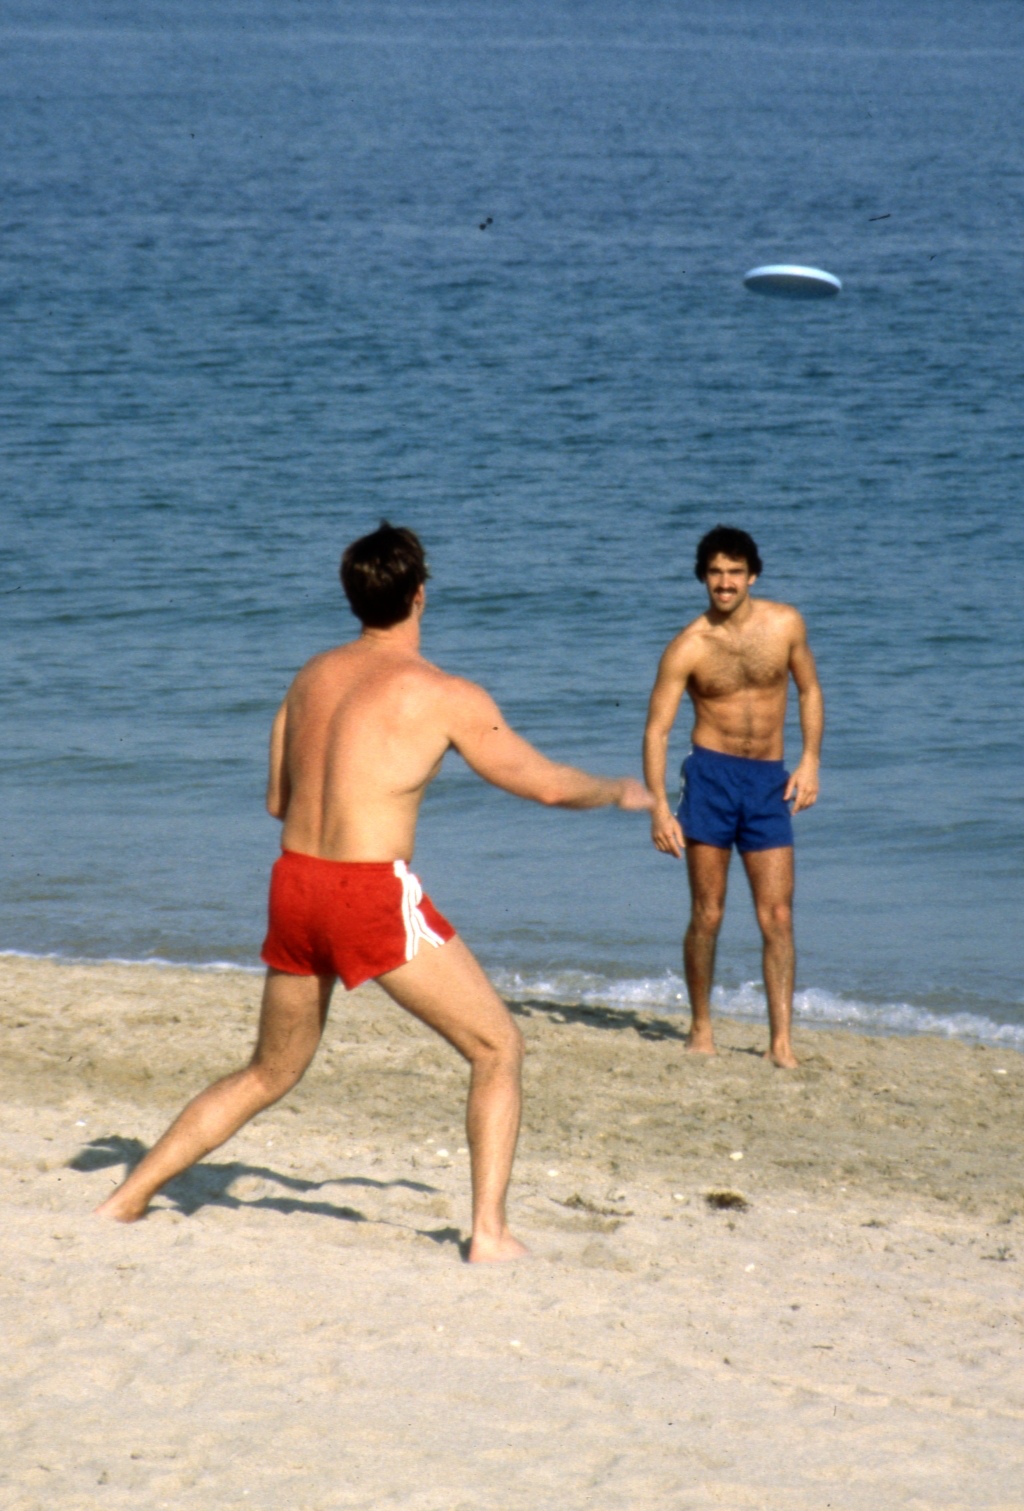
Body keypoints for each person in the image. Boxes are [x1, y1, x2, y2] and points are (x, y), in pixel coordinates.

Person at [97, 522, 651, 1260]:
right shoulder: (444, 694)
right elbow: (546, 786)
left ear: (352, 597)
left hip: (294, 883)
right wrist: (616, 789)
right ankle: (488, 1233)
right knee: (498, 1046)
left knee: (268, 1070)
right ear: (421, 595)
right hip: (366, 893)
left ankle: (125, 1197)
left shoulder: (310, 676)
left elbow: (275, 801)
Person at [643, 526, 823, 1068]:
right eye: (716, 573)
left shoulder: (785, 624)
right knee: (709, 912)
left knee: (779, 917)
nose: (725, 583)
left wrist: (811, 760)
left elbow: (810, 689)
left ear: (753, 575)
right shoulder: (688, 645)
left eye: (735, 572)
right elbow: (657, 729)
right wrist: (658, 805)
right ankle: (701, 1027)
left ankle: (781, 1042)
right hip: (711, 778)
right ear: (703, 577)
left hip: (769, 779)